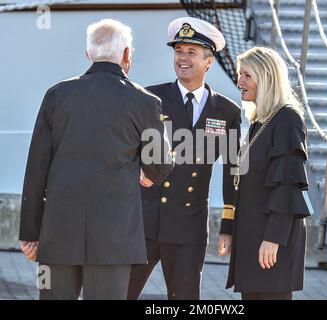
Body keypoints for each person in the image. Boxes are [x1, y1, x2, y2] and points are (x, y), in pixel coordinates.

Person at [18, 19, 173, 300]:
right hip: (114, 239)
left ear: (88, 54)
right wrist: (145, 171)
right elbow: (160, 166)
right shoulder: (145, 102)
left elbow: (36, 168)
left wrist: (30, 231)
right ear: (127, 54)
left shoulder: (56, 95)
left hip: (58, 232)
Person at [127, 17, 241, 300]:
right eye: (178, 51)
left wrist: (228, 225)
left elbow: (234, 170)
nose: (183, 58)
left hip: (189, 225)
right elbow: (125, 153)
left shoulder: (227, 111)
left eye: (191, 52)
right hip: (144, 220)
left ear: (209, 60)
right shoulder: (150, 99)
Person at [218, 46, 311, 300]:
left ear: (266, 77)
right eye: (240, 75)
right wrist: (229, 227)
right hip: (253, 236)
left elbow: (288, 185)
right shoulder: (261, 121)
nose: (240, 82)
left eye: (247, 75)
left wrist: (273, 238)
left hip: (271, 240)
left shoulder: (287, 118)